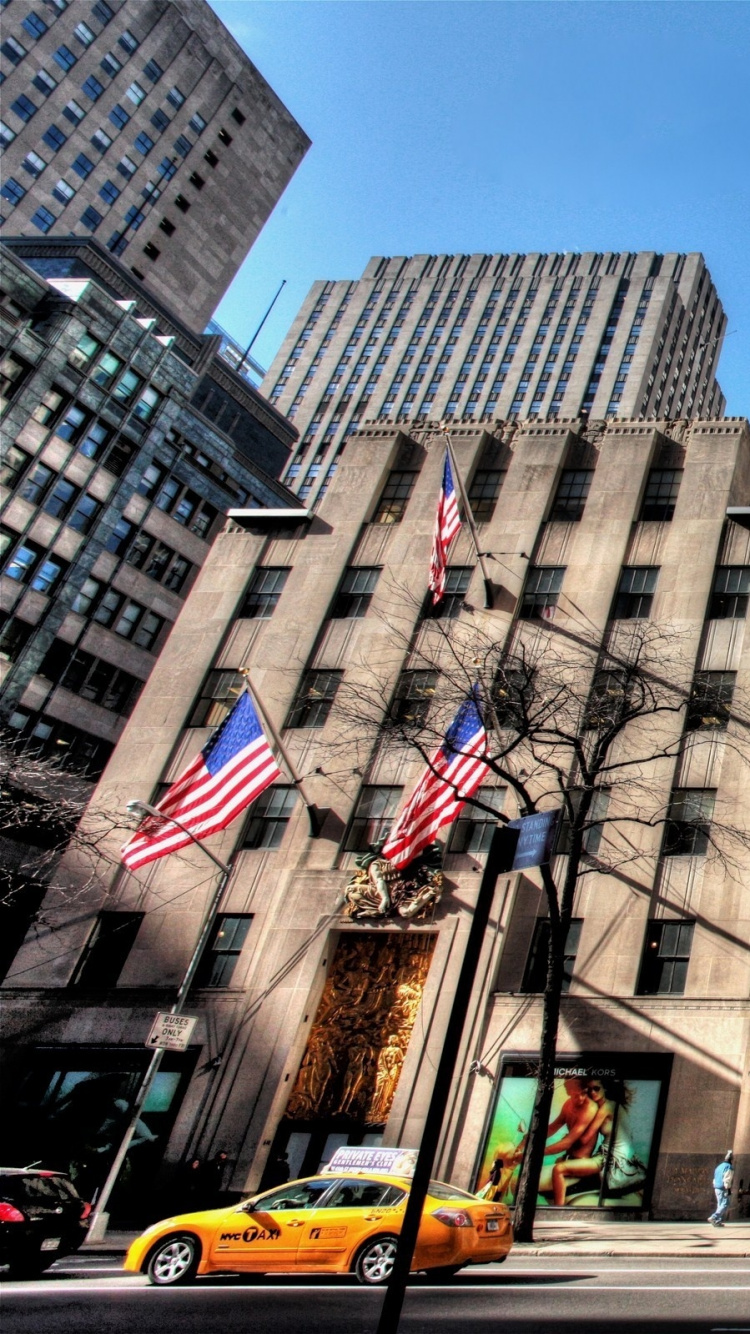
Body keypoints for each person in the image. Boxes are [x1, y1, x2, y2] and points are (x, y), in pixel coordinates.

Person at [708, 1151, 734, 1226]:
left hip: (717, 1187)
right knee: (725, 1204)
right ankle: (714, 1217)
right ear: (731, 1160)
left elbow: (715, 1178)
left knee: (720, 1204)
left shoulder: (719, 1166)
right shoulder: (729, 1167)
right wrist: (728, 1188)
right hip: (723, 1188)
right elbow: (727, 1178)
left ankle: (717, 1221)